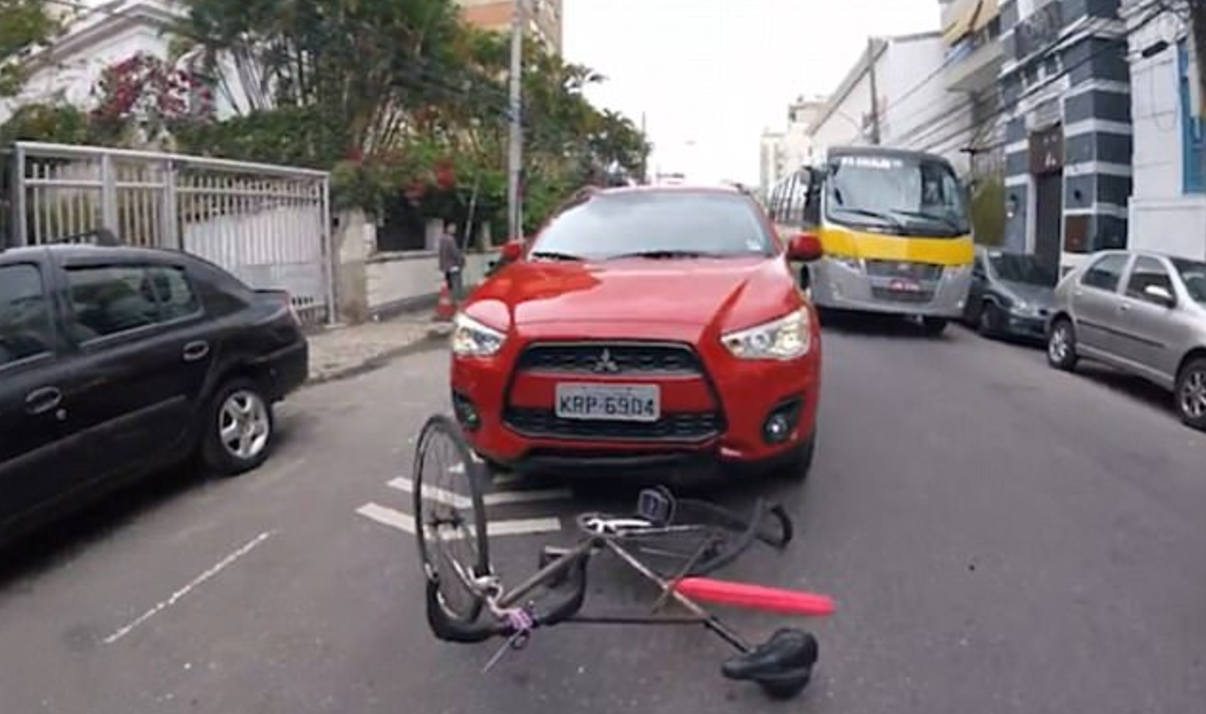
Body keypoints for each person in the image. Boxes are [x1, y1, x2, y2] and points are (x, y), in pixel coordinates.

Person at [438, 221, 465, 301]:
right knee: (456, 283)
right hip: (453, 265)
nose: (454, 229)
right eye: (453, 227)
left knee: (449, 283)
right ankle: (456, 300)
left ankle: (449, 299)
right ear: (448, 228)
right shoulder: (450, 239)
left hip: (445, 266)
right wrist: (461, 260)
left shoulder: (442, 239)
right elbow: (455, 253)